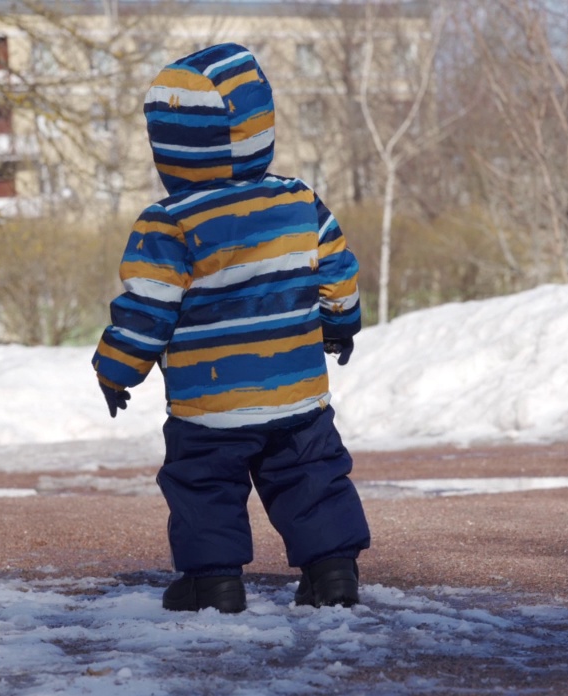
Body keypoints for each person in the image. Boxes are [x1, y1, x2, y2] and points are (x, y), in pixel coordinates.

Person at [92, 43, 369, 614]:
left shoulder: (168, 222)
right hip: (296, 389)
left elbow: (147, 307)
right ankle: (333, 572)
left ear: (166, 145)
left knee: (204, 485)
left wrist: (117, 368)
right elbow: (337, 269)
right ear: (257, 125)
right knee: (311, 475)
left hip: (208, 400)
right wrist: (340, 323)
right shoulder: (299, 201)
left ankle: (215, 581)